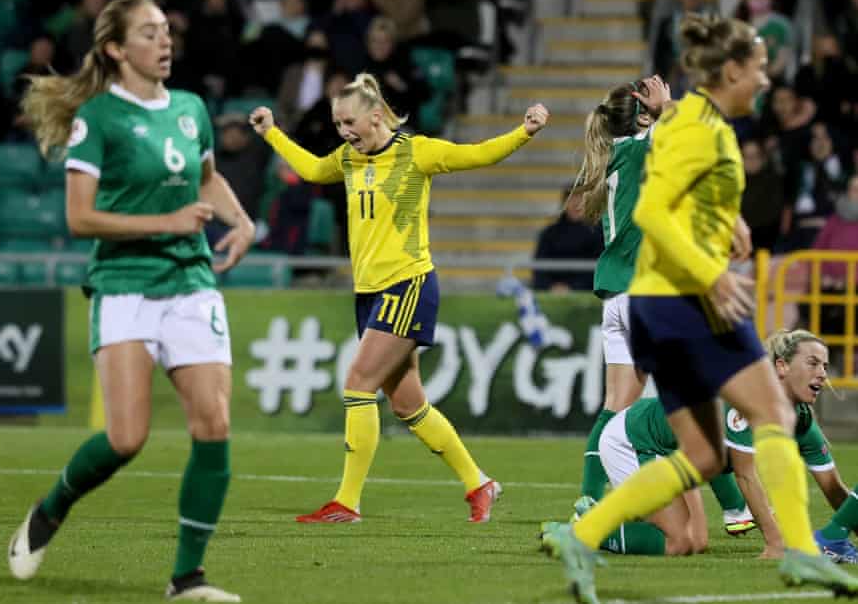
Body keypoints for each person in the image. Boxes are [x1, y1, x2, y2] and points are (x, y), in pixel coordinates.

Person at [540, 13, 858, 604]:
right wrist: (712, 272)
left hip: (670, 300)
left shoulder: (706, 125)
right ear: (732, 70)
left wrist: (727, 222)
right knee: (770, 415)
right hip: (677, 299)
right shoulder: (693, 125)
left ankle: (580, 536)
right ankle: (801, 554)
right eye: (759, 69)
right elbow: (655, 212)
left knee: (709, 451)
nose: (767, 80)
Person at [8, 0, 254, 602]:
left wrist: (241, 222)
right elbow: (80, 218)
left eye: (166, 30)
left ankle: (187, 578)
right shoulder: (100, 118)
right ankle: (52, 507)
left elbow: (205, 176)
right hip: (123, 286)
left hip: (190, 280)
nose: (164, 41)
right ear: (116, 48)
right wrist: (165, 224)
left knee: (214, 424)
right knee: (126, 439)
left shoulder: (192, 107)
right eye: (148, 33)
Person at [249, 73, 549, 523]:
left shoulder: (416, 152)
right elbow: (311, 170)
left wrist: (523, 132)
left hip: (407, 285)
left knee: (357, 383)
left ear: (374, 116)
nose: (343, 131)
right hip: (369, 292)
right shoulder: (349, 159)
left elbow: (476, 155)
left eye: (349, 122)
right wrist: (271, 131)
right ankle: (479, 483)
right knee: (408, 404)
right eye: (337, 124)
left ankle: (347, 501)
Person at [566, 74, 674, 511]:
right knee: (686, 397)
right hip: (642, 292)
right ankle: (736, 508)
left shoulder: (613, 155)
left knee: (616, 405)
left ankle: (589, 499)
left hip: (617, 296)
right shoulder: (638, 153)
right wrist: (667, 108)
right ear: (643, 115)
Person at [722, 330, 858, 563]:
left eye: (825, 366)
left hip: (693, 470)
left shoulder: (802, 419)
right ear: (782, 366)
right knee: (676, 542)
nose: (822, 374)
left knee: (691, 540)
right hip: (647, 444)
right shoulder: (749, 398)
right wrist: (775, 543)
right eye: (813, 363)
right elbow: (745, 475)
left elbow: (834, 489)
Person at [563, 397, 756, 557]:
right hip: (634, 442)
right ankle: (583, 528)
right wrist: (738, 510)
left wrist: (737, 511)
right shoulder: (733, 399)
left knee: (697, 541)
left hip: (670, 449)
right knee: (679, 542)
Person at [531, 190, 602, 293]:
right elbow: (539, 267)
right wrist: (550, 287)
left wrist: (573, 288)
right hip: (552, 293)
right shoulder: (549, 234)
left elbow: (599, 269)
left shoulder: (598, 234)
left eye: (581, 199)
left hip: (587, 292)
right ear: (564, 203)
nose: (576, 204)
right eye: (572, 199)